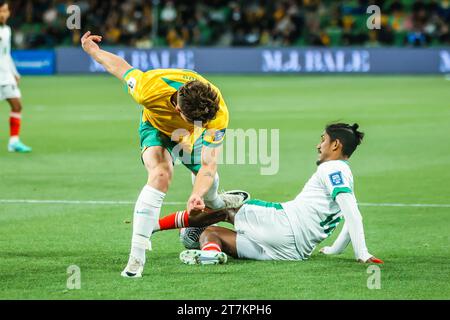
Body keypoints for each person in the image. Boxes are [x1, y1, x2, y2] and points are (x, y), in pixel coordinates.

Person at [80, 31, 248, 278]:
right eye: (194, 122)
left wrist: (195, 195)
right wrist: (93, 50)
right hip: (156, 128)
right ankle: (136, 257)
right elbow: (121, 67)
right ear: (178, 108)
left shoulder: (216, 111)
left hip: (187, 137)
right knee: (161, 173)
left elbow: (208, 166)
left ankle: (221, 203)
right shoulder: (149, 89)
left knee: (211, 197)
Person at [158, 123, 384, 265]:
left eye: (323, 140)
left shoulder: (331, 168)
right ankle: (209, 255)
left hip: (284, 224)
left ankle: (152, 227)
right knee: (210, 233)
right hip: (293, 253)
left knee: (223, 208)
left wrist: (362, 253)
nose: (318, 145)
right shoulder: (346, 175)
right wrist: (335, 249)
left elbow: (353, 214)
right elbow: (349, 216)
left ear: (336, 145)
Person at [0, 1, 32, 153]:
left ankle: (14, 142)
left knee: (17, 106)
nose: (4, 14)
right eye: (1, 11)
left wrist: (14, 72)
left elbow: (6, 54)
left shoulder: (7, 30)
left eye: (6, 11)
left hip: (5, 76)